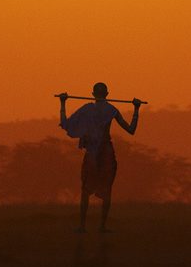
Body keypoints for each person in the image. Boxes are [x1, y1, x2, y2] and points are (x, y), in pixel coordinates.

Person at [58, 82, 141, 232]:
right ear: (107, 94)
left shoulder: (88, 110)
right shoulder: (111, 110)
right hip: (104, 152)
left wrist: (63, 103)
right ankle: (101, 226)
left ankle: (83, 226)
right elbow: (131, 129)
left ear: (92, 94)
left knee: (86, 190)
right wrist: (136, 109)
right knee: (106, 189)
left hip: (95, 152)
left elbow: (65, 123)